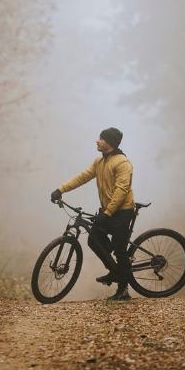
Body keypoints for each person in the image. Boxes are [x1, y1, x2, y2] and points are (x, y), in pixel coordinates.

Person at [50, 127, 135, 301]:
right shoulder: (100, 162)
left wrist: (109, 212)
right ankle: (115, 271)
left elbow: (121, 190)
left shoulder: (122, 163)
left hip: (123, 211)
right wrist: (61, 189)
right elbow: (82, 177)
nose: (97, 141)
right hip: (108, 211)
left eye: (101, 138)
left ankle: (123, 289)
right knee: (93, 239)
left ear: (109, 142)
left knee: (120, 249)